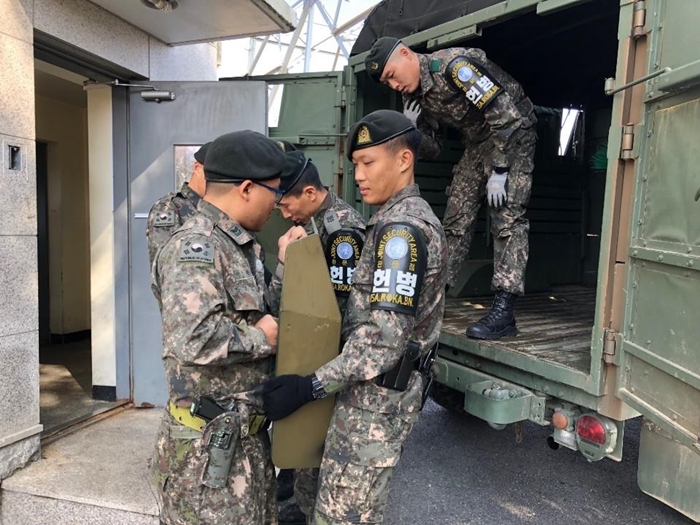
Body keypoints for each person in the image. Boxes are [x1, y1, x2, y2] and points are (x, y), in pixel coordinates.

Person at [262, 110, 448, 525]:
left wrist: (310, 386)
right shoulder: (389, 221)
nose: (359, 175)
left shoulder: (401, 232)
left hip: (375, 404)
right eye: (355, 165)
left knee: (344, 515)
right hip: (362, 394)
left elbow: (383, 338)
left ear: (403, 161)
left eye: (369, 163)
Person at [150, 130, 287, 525]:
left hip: (242, 444)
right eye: (273, 192)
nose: (277, 204)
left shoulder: (238, 245)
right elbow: (191, 338)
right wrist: (263, 338)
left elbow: (251, 312)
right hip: (206, 456)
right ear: (246, 188)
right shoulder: (197, 247)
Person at [364, 36, 537, 340]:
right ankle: (434, 296)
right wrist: (413, 128)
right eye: (385, 83)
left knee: (506, 216)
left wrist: (500, 169)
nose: (393, 85)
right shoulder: (414, 97)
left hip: (513, 133)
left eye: (392, 74)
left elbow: (506, 115)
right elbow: (433, 150)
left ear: (406, 54)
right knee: (456, 219)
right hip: (478, 142)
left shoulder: (452, 68)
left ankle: (504, 310)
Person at [273, 151, 367, 525]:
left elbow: (339, 315)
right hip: (320, 361)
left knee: (322, 454)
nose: (284, 214)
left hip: (333, 364)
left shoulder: (342, 232)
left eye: (287, 204)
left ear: (310, 193)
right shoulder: (318, 223)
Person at [146, 142, 210, 267]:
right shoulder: (169, 207)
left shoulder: (218, 208)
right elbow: (165, 261)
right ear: (197, 168)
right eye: (212, 173)